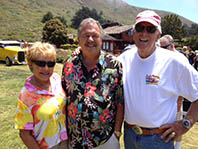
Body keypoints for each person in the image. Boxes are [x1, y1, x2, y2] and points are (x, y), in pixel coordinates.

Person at [118, 10, 198, 149]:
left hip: (158, 140)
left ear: (158, 35)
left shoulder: (174, 62)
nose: (144, 33)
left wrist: (186, 123)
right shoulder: (124, 59)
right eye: (139, 28)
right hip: (130, 135)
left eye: (150, 29)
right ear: (134, 32)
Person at [61, 18, 124, 148]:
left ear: (101, 38)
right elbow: (63, 99)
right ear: (79, 39)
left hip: (105, 141)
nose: (90, 39)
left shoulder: (114, 65)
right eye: (86, 36)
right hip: (75, 140)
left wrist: (117, 133)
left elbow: (120, 102)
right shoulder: (69, 64)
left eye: (94, 35)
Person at [14, 42, 68, 149]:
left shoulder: (56, 80)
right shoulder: (26, 95)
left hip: (66, 142)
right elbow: (24, 134)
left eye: (51, 64)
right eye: (41, 63)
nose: (46, 69)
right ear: (30, 63)